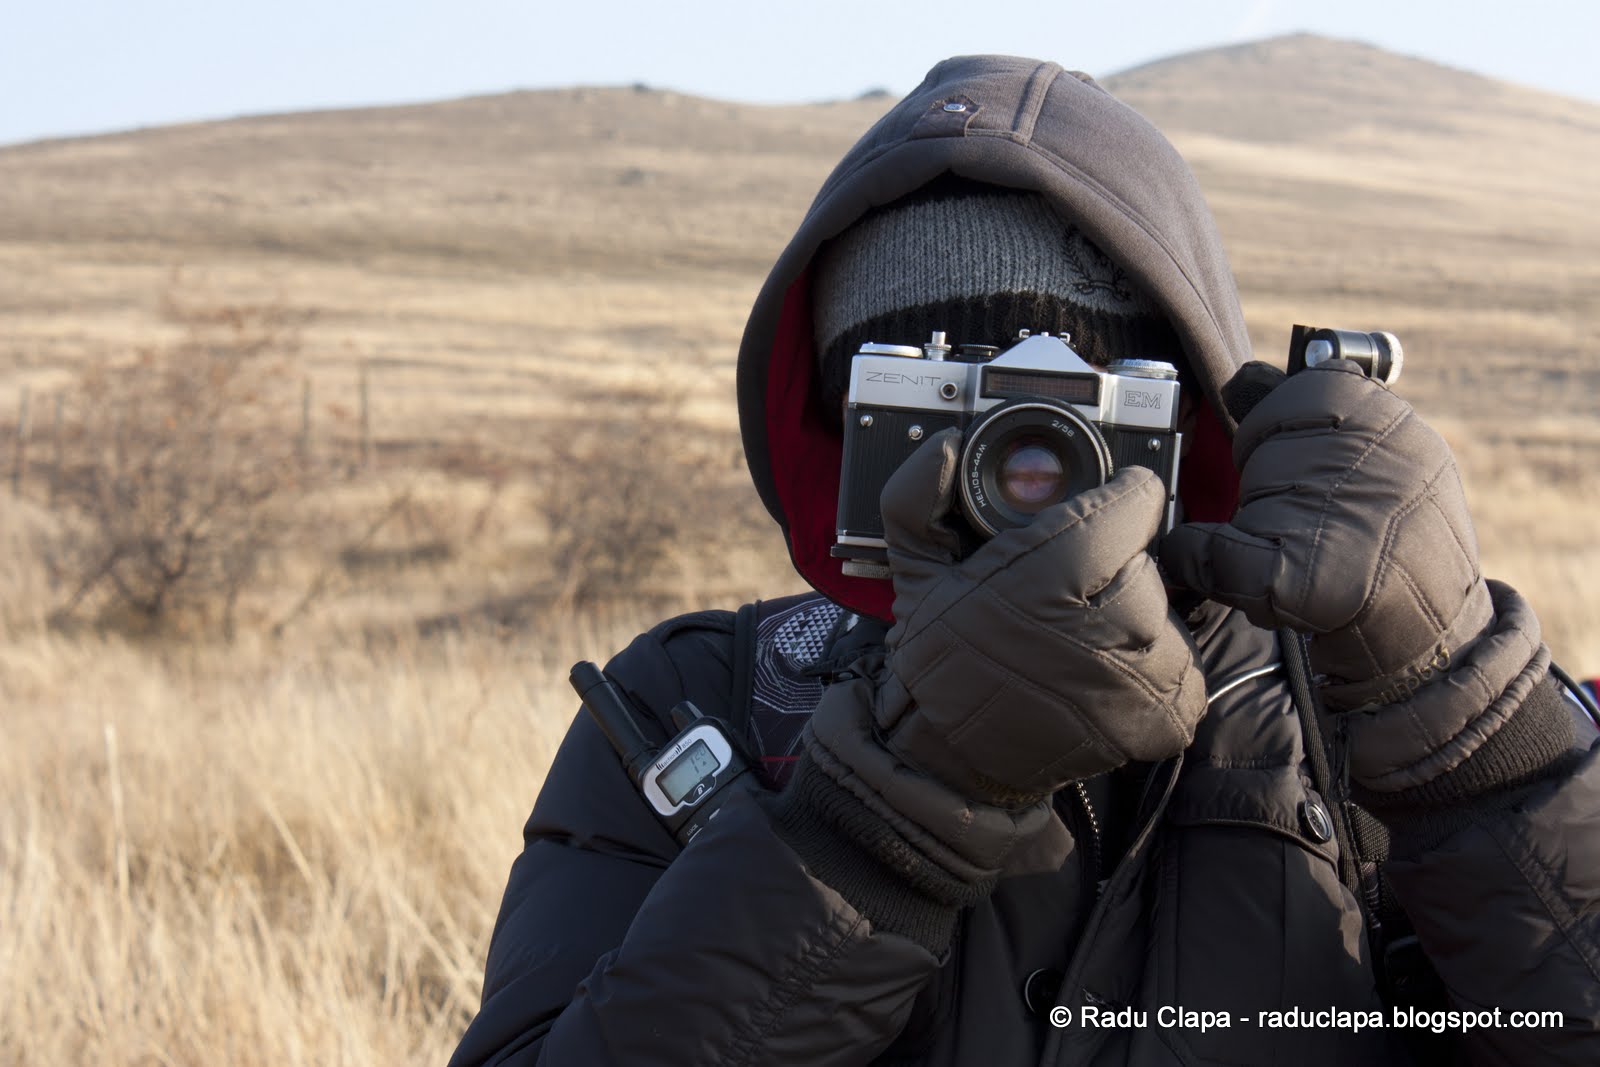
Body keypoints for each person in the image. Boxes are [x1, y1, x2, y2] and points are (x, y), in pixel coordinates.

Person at [449, 55, 1600, 1065]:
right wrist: (891, 804)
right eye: (941, 401)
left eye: (1079, 406)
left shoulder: (1351, 688)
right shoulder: (703, 702)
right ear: (846, 426)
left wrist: (1466, 727)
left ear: (1183, 413)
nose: (1023, 467)